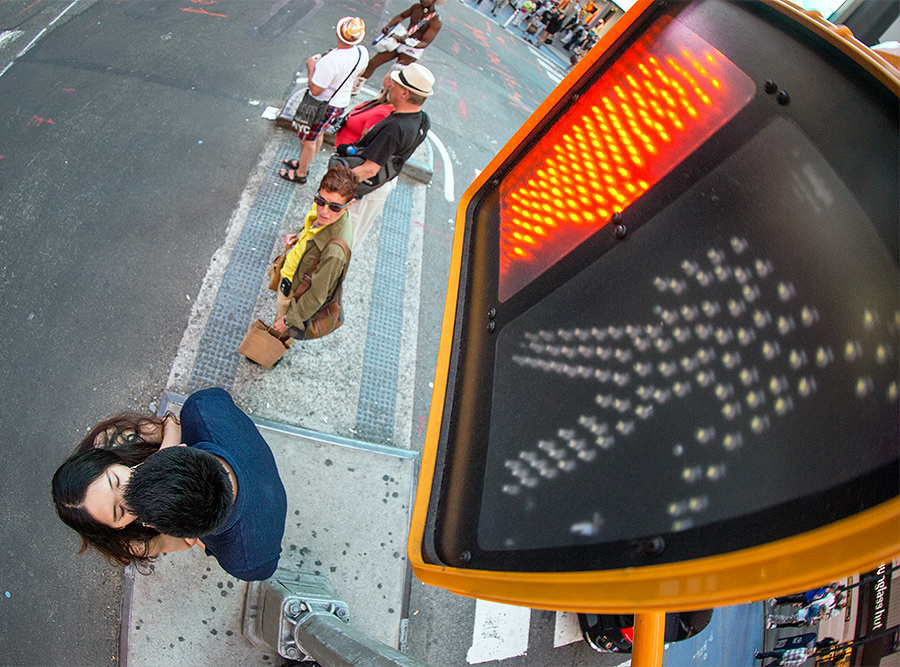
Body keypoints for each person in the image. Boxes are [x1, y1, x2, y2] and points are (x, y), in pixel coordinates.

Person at [51, 388, 288, 581]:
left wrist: (162, 541)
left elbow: (185, 542)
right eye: (120, 510)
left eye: (116, 482)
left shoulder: (249, 562)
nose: (131, 495)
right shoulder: (201, 407)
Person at [339, 63, 433, 250]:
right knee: (354, 233)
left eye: (396, 83)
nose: (391, 85)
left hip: (368, 187)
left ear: (405, 93)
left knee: (346, 235)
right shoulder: (422, 118)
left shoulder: (394, 128)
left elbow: (369, 168)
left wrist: (337, 187)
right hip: (385, 181)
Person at [279, 17, 368, 185]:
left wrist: (311, 66)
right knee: (317, 134)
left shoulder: (331, 60)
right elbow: (361, 72)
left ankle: (301, 173)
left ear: (337, 33)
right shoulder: (362, 52)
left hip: (322, 104)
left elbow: (316, 89)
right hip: (339, 103)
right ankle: (305, 163)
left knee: (308, 139)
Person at [272, 165, 358, 337]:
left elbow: (317, 295)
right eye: (320, 201)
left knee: (280, 331)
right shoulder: (325, 208)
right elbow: (313, 225)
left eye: (334, 207)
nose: (324, 212)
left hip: (295, 294)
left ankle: (271, 352)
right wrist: (298, 236)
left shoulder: (335, 251)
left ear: (349, 205)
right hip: (290, 273)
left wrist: (290, 320)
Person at [351, 0, 443, 95]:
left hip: (413, 49)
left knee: (395, 74)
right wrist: (389, 26)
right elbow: (401, 16)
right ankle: (355, 87)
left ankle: (383, 97)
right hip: (401, 40)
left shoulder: (436, 20)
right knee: (374, 62)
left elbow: (424, 43)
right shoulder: (416, 8)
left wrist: (406, 41)